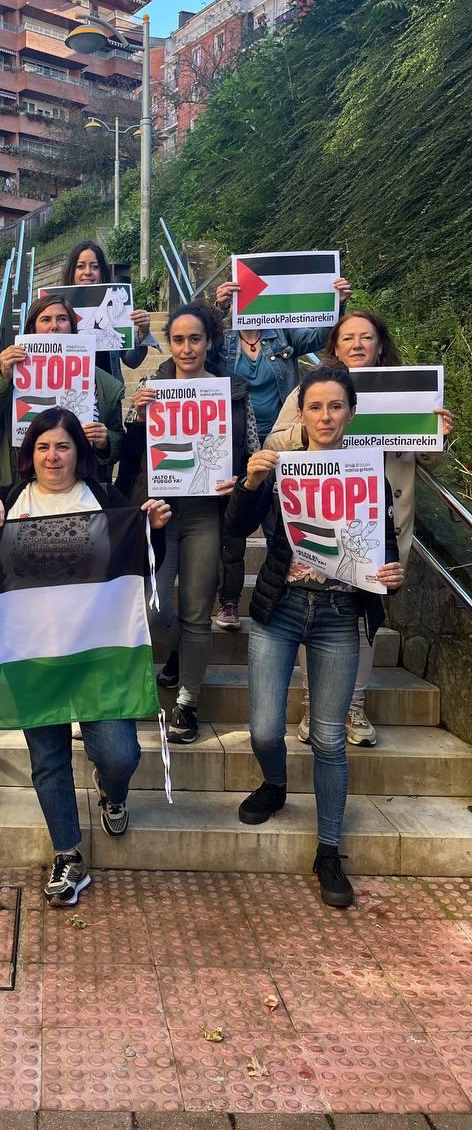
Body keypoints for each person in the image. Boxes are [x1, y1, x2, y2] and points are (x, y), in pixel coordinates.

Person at [0, 407, 170, 907]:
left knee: (120, 755)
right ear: (30, 454)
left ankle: (112, 790)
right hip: (31, 656)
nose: (53, 456)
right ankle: (68, 855)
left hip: (97, 655)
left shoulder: (104, 499)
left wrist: (154, 529)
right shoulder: (9, 500)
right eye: (43, 446)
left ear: (78, 453)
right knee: (48, 760)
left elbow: (143, 561)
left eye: (63, 446)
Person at [225, 366, 403, 907]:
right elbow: (236, 527)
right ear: (300, 414)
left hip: (338, 614)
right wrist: (251, 483)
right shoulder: (282, 468)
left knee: (328, 738)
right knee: (263, 730)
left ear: (350, 412)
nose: (326, 417)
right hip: (280, 608)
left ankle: (328, 849)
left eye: (336, 406)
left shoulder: (367, 471)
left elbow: (384, 547)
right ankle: (275, 783)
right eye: (315, 407)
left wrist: (391, 573)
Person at [266, 310, 454, 746]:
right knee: (314, 608)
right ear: (334, 345)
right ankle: (314, 702)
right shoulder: (313, 388)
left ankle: (353, 705)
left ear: (380, 344)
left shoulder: (409, 391)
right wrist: (308, 431)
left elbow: (429, 461)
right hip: (320, 516)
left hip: (382, 522)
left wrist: (437, 436)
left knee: (364, 611)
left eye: (365, 337)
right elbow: (274, 442)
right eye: (347, 337)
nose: (356, 344)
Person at [116, 302, 258, 745]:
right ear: (170, 344)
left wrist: (240, 478)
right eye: (178, 339)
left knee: (197, 614)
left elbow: (251, 450)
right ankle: (182, 650)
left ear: (210, 342)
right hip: (157, 510)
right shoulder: (151, 386)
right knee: (153, 610)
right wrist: (138, 418)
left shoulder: (233, 392)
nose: (187, 347)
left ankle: (187, 703)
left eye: (195, 338)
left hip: (205, 514)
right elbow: (128, 457)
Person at [207, 272, 352, 630]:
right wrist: (218, 310)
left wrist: (336, 304)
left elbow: (321, 336)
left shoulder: (282, 333)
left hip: (283, 445)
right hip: (234, 443)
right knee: (233, 521)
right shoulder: (223, 341)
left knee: (281, 524)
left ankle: (286, 600)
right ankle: (229, 600)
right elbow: (200, 355)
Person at [0, 294, 125, 486]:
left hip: (83, 488)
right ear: (32, 328)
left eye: (62, 319)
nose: (54, 326)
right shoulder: (9, 376)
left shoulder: (105, 384)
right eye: (45, 319)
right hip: (23, 485)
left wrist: (105, 441)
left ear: (72, 327)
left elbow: (119, 442)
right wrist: (4, 379)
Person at [61, 239, 154, 381]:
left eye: (94, 266)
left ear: (102, 271)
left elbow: (132, 361)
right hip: (70, 389)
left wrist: (143, 332)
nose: (88, 272)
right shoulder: (56, 308)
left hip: (109, 393)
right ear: (72, 271)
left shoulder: (117, 307)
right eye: (80, 266)